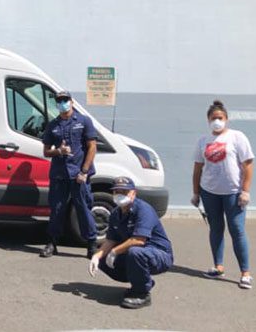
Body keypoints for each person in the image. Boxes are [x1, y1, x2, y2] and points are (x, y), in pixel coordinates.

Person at [191, 100, 255, 289]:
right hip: (209, 192)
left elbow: (248, 165)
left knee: (237, 229)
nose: (216, 121)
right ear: (208, 120)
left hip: (233, 193)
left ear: (226, 119)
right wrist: (196, 193)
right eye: (213, 118)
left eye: (220, 118)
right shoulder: (203, 141)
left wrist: (245, 190)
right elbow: (197, 168)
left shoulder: (237, 137)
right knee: (216, 229)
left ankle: (245, 273)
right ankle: (218, 267)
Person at [88, 176, 173, 309]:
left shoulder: (144, 210)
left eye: (124, 192)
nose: (120, 195)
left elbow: (139, 240)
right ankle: (141, 281)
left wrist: (115, 251)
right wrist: (96, 256)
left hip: (158, 254)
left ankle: (142, 294)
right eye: (117, 192)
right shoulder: (116, 213)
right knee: (102, 256)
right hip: (136, 253)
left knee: (135, 252)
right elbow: (111, 239)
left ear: (133, 193)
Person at [40, 90, 98, 258]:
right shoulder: (53, 125)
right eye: (59, 101)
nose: (62, 103)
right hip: (59, 175)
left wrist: (84, 171)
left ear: (71, 102)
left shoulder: (83, 121)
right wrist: (59, 151)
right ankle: (52, 243)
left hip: (79, 175)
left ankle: (91, 244)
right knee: (57, 209)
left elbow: (92, 146)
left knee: (83, 209)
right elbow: (46, 151)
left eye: (65, 100)